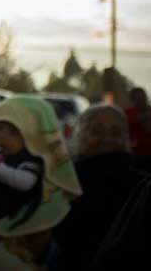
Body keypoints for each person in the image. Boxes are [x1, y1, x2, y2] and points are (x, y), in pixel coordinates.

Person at [0, 97, 82, 271]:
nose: (3, 136)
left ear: (31, 137)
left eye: (13, 132)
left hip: (18, 234)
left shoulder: (29, 161)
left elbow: (24, 182)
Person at [50, 105, 146, 271]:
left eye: (115, 132)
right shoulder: (143, 182)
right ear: (77, 136)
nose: (107, 138)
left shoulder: (60, 182)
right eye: (97, 131)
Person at [125, 87, 151, 164]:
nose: (142, 99)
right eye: (138, 97)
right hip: (137, 155)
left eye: (143, 97)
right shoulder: (128, 113)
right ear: (133, 100)